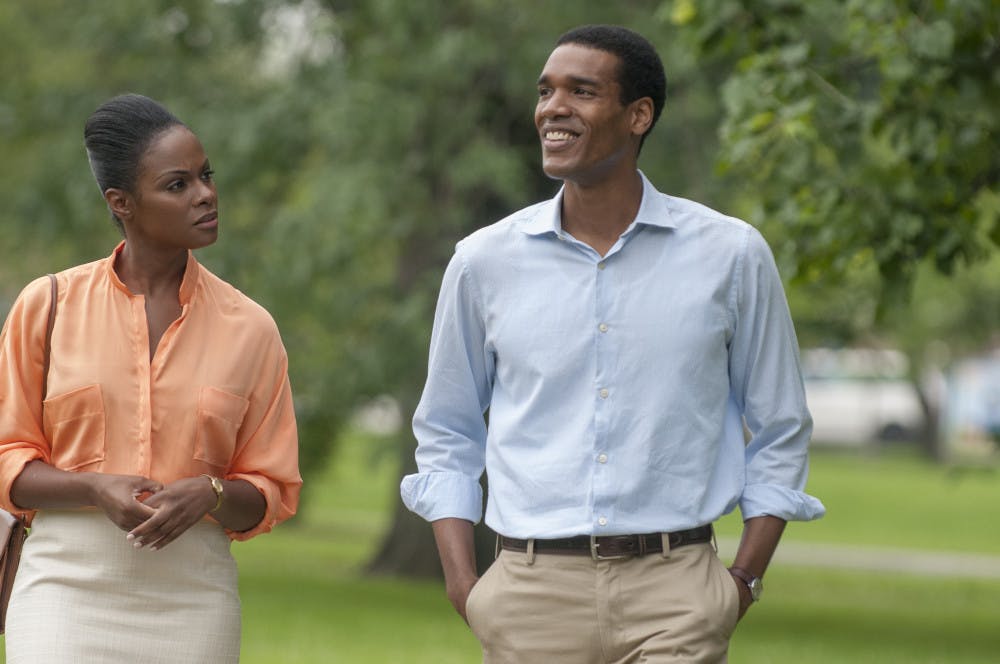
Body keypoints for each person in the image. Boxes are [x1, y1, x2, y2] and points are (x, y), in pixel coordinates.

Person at [401, 25, 825, 663]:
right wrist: (466, 586)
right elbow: (448, 431)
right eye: (546, 91)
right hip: (530, 594)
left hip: (676, 589)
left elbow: (780, 427)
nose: (553, 108)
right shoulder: (483, 261)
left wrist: (742, 581)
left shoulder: (730, 254)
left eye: (581, 90)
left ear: (639, 115)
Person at [0, 93, 301, 663]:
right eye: (177, 184)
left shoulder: (252, 328)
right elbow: (7, 456)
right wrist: (92, 486)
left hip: (194, 599)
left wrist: (211, 492)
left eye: (206, 176)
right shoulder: (49, 305)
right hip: (64, 589)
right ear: (123, 202)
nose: (206, 194)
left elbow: (271, 492)